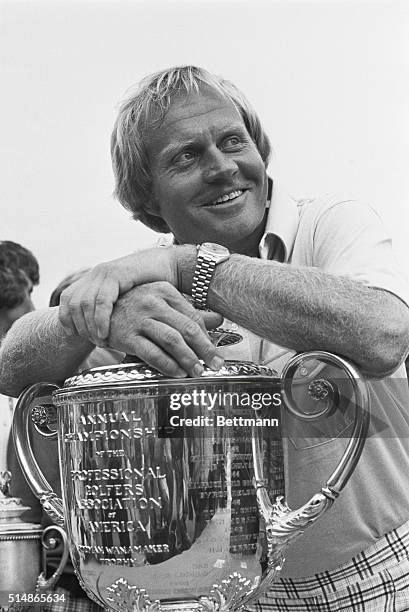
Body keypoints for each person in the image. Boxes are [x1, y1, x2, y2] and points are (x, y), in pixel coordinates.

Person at [1, 66, 409, 610]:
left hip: (387, 574)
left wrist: (189, 263)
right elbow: (13, 367)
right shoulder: (139, 291)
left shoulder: (331, 224)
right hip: (228, 593)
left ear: (261, 153)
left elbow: (383, 334)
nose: (221, 167)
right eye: (185, 156)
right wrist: (106, 314)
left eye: (233, 141)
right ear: (147, 203)